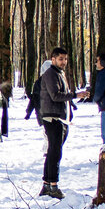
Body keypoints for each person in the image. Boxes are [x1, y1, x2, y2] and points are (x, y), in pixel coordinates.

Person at [39, 47, 76, 199]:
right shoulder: (50, 74)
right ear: (53, 59)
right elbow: (55, 95)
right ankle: (53, 185)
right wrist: (74, 95)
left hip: (59, 117)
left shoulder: (59, 73)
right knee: (55, 151)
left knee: (54, 151)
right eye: (60, 59)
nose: (63, 62)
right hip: (52, 117)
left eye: (65, 59)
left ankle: (47, 184)